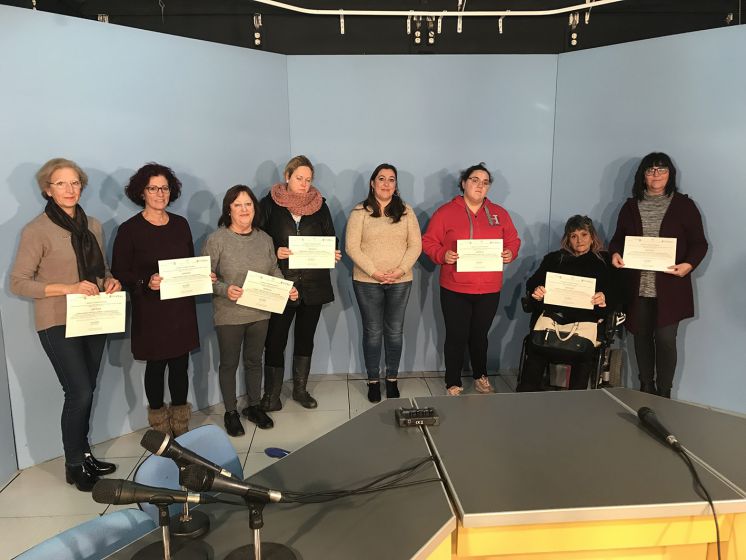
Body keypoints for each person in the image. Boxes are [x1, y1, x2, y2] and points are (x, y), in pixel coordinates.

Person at [10, 158, 121, 491]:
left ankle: (84, 453)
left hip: (95, 316)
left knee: (87, 390)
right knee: (79, 392)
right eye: (61, 183)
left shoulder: (94, 226)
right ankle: (74, 464)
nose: (69, 189)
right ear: (48, 189)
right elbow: (18, 283)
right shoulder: (36, 230)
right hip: (57, 320)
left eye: (75, 183)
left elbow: (102, 270)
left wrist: (110, 281)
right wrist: (67, 288)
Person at [111, 163, 200, 436]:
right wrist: (145, 281)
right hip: (150, 310)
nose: (160, 193)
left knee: (180, 366)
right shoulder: (129, 230)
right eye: (153, 188)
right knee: (156, 366)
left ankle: (181, 423)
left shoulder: (181, 225)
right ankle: (160, 424)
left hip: (181, 308)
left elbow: (189, 263)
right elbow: (120, 271)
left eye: (164, 188)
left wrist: (200, 274)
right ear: (142, 192)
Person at [609, 152, 707, 398]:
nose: (656, 175)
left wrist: (688, 265)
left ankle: (664, 391)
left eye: (662, 170)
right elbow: (617, 240)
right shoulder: (630, 206)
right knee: (640, 337)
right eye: (651, 170)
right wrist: (615, 254)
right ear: (643, 175)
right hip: (637, 285)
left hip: (670, 286)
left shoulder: (684, 205)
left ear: (670, 175)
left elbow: (699, 243)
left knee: (665, 339)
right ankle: (646, 386)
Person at [202, 185, 298, 436]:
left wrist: (286, 288)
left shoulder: (265, 239)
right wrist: (225, 290)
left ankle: (254, 406)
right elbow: (205, 277)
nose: (244, 209)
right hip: (229, 313)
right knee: (229, 364)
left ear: (255, 208)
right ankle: (231, 411)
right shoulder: (216, 240)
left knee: (255, 361)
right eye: (238, 205)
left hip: (260, 312)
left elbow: (273, 270)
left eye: (248, 204)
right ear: (229, 210)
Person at [422, 163, 520, 396]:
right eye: (475, 180)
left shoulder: (500, 214)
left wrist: (510, 253)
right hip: (455, 287)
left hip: (488, 288)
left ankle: (480, 376)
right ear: (464, 183)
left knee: (479, 336)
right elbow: (428, 242)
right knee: (456, 336)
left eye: (485, 182)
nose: (480, 186)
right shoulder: (445, 212)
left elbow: (513, 241)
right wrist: (442, 255)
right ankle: (453, 381)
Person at [259, 155, 341, 411]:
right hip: (281, 282)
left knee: (306, 338)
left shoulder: (320, 205)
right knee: (275, 340)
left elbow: (331, 239)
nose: (304, 184)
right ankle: (271, 396)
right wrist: (275, 250)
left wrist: (333, 252)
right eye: (299, 178)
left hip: (313, 285)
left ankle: (300, 390)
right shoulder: (268, 204)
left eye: (308, 180)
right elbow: (257, 240)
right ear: (287, 177)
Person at [345, 164, 422, 402]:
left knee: (395, 332)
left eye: (391, 180)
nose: (386, 184)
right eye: (381, 179)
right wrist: (375, 272)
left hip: (401, 281)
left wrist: (399, 270)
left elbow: (415, 245)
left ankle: (392, 379)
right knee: (373, 332)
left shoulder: (407, 211)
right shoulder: (359, 212)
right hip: (367, 281)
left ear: (396, 185)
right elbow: (351, 247)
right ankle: (373, 381)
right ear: (372, 183)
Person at [516, 215, 616, 392]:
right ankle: (526, 398)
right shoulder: (554, 259)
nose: (579, 241)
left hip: (585, 323)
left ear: (592, 237)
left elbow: (616, 295)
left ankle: (574, 403)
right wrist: (537, 292)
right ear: (567, 239)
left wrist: (604, 297)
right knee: (536, 349)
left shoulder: (603, 263)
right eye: (574, 236)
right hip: (553, 320)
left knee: (584, 354)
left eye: (584, 235)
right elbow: (533, 284)